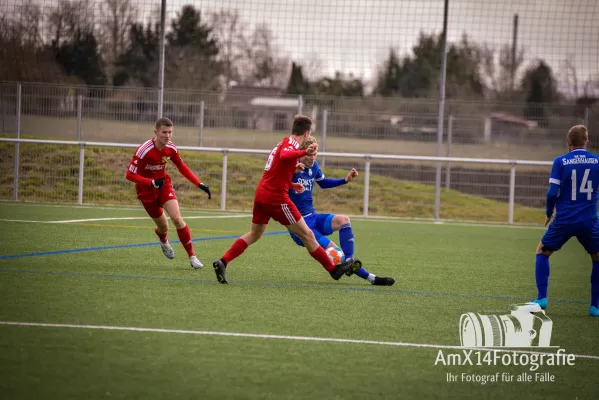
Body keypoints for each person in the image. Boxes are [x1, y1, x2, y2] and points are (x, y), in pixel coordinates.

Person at [212, 114, 356, 284]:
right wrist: (304, 151)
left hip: (262, 194)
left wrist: (291, 184)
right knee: (308, 235)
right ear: (306, 133)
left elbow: (277, 169)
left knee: (255, 234)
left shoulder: (282, 143)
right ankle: (333, 270)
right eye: (309, 135)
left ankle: (222, 262)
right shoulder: (291, 145)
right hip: (276, 198)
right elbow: (284, 157)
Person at [288, 137, 395, 286]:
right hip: (300, 226)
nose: (312, 158)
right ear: (301, 153)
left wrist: (345, 180)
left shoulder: (314, 166)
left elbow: (323, 183)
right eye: (309, 155)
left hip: (313, 216)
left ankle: (350, 261)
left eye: (315, 154)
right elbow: (278, 186)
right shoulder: (291, 167)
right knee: (336, 252)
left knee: (343, 220)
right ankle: (372, 278)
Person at [125, 117, 212, 269]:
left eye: (170, 132)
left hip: (164, 186)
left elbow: (182, 166)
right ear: (156, 132)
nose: (167, 135)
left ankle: (192, 257)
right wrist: (150, 182)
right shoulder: (144, 150)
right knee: (163, 227)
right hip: (146, 191)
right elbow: (130, 175)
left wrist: (199, 184)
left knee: (177, 219)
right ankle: (163, 239)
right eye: (164, 132)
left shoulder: (171, 148)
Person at [532, 125, 599, 317]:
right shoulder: (597, 161)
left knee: (542, 252)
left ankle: (542, 298)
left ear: (569, 142)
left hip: (564, 220)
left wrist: (548, 212)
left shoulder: (560, 161)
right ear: (587, 142)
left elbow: (553, 192)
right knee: (597, 259)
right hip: (589, 221)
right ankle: (595, 306)